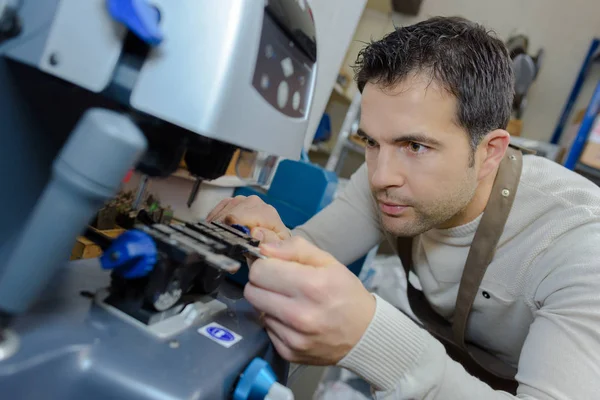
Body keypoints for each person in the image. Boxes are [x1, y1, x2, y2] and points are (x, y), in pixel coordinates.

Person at [207, 16, 600, 399]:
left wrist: (374, 341)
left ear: (490, 153)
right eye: (372, 142)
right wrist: (274, 242)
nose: (379, 177)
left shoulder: (580, 246)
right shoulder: (386, 180)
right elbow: (313, 252)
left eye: (415, 146)